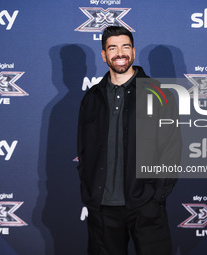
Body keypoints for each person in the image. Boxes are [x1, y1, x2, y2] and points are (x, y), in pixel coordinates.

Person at [77, 26, 181, 255]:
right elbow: (84, 151)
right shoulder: (92, 98)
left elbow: (172, 148)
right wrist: (90, 193)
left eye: (125, 47)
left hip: (145, 206)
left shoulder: (158, 93)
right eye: (112, 48)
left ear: (133, 52)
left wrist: (157, 197)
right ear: (104, 55)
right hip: (102, 209)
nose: (120, 53)